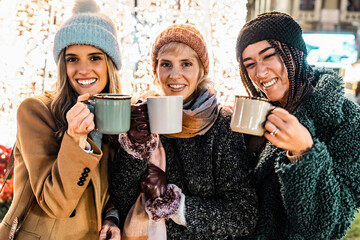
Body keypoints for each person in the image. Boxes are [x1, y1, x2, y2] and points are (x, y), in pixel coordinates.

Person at [109, 24, 258, 239]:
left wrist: (177, 206)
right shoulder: (140, 118)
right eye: (166, 64)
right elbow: (122, 200)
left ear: (201, 71)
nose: (174, 75)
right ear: (155, 70)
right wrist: (136, 149)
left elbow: (244, 215)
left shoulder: (222, 124)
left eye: (186, 64)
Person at [0, 0, 122, 239]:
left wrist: (111, 218)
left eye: (95, 57)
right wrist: (75, 138)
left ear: (110, 64)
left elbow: (104, 189)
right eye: (72, 59)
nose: (83, 70)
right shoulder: (35, 111)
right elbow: (56, 204)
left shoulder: (113, 115)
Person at [235, 11, 360, 239]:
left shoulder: (347, 120)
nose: (260, 72)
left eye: (269, 55)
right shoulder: (257, 112)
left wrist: (303, 153)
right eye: (249, 64)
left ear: (296, 53)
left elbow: (328, 227)